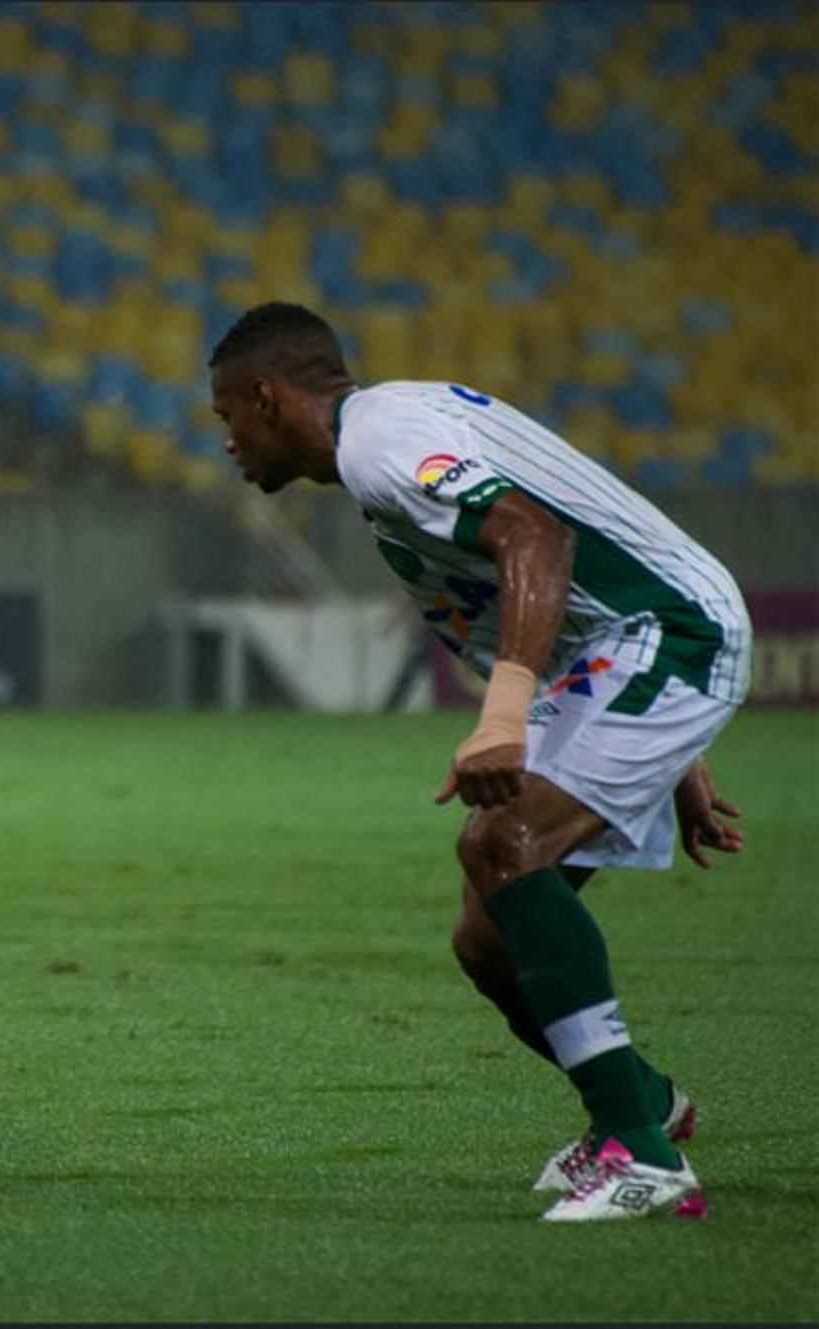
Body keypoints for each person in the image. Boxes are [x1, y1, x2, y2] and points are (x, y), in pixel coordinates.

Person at [207, 302, 750, 1222]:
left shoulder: (382, 445)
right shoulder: (383, 451)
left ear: (265, 397)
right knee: (486, 938)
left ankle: (644, 1158)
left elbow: (535, 536)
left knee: (506, 845)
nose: (227, 443)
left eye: (226, 418)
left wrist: (503, 714)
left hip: (668, 634)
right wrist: (674, 754)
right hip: (623, 651)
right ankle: (643, 1100)